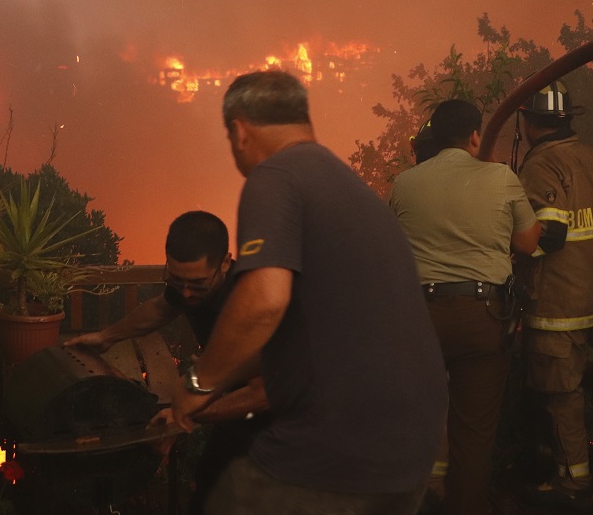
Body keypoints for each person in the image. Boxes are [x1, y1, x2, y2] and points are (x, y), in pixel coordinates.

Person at [170, 70, 448, 515]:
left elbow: (264, 300)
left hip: (340, 447)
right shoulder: (350, 187)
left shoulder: (275, 177)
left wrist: (198, 383)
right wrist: (217, 389)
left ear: (239, 131)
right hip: (412, 446)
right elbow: (293, 334)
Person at [388, 99, 543, 515]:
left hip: (420, 321)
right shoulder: (502, 177)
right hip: (483, 317)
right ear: (475, 136)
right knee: (474, 434)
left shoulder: (404, 183)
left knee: (418, 422)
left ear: (433, 139)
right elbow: (528, 243)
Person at [64, 211, 268, 515]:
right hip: (237, 411)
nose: (185, 293)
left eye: (197, 284)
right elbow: (161, 309)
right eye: (177, 280)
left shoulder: (252, 303)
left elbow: (264, 393)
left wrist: (186, 413)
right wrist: (106, 337)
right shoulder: (189, 286)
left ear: (225, 263)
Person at [515, 80, 593, 508]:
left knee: (560, 394)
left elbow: (553, 234)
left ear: (527, 122)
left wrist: (512, 248)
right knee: (567, 386)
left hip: (555, 303)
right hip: (589, 297)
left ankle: (573, 482)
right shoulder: (588, 156)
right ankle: (565, 468)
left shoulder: (541, 166)